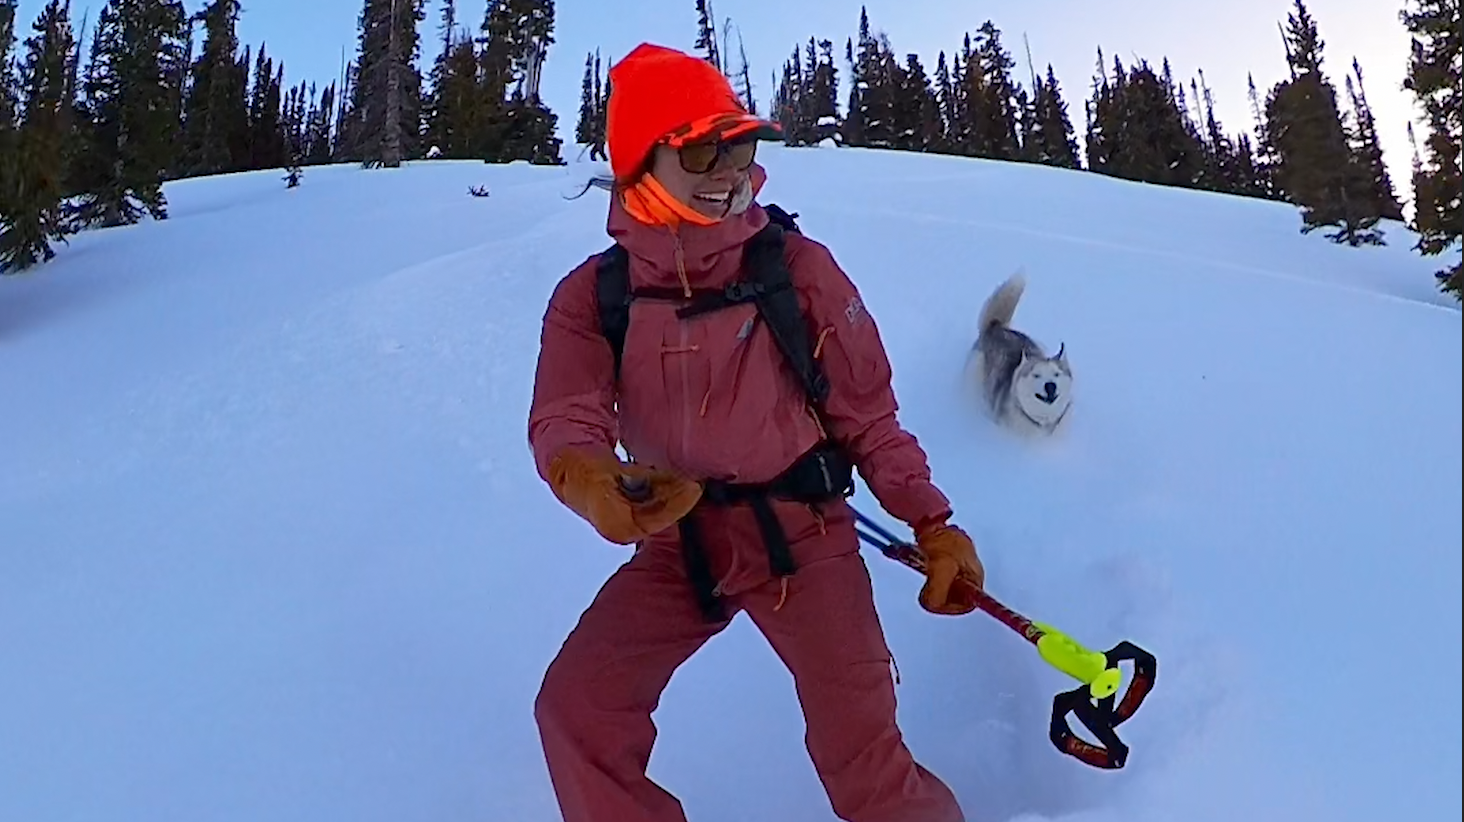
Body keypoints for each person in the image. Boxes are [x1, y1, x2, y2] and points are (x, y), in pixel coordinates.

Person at [526, 42, 986, 822]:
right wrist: (589, 476)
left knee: (864, 764)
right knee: (578, 710)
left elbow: (868, 416)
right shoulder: (594, 296)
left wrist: (932, 523)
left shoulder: (796, 268)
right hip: (679, 543)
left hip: (804, 536)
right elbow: (566, 415)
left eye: (738, 145)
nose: (728, 171)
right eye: (700, 150)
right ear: (639, 162)